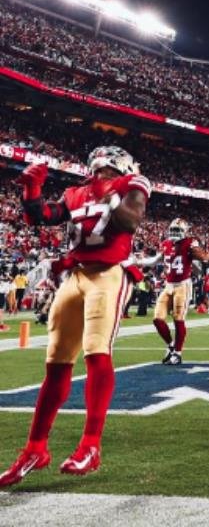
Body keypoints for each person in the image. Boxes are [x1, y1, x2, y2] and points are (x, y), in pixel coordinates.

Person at [0, 146, 150, 486]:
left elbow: (130, 219)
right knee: (55, 362)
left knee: (97, 352)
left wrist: (110, 196)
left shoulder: (134, 183)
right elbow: (45, 216)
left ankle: (91, 445)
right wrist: (30, 193)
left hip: (110, 273)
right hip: (76, 274)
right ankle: (36, 448)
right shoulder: (75, 192)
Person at [153, 218, 209, 365]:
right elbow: (155, 260)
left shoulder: (190, 243)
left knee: (178, 318)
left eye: (178, 230)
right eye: (173, 230)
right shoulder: (166, 244)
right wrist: (136, 261)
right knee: (157, 319)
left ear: (185, 232)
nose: (174, 233)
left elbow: (203, 257)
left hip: (182, 284)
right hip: (168, 285)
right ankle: (171, 346)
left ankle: (178, 353)